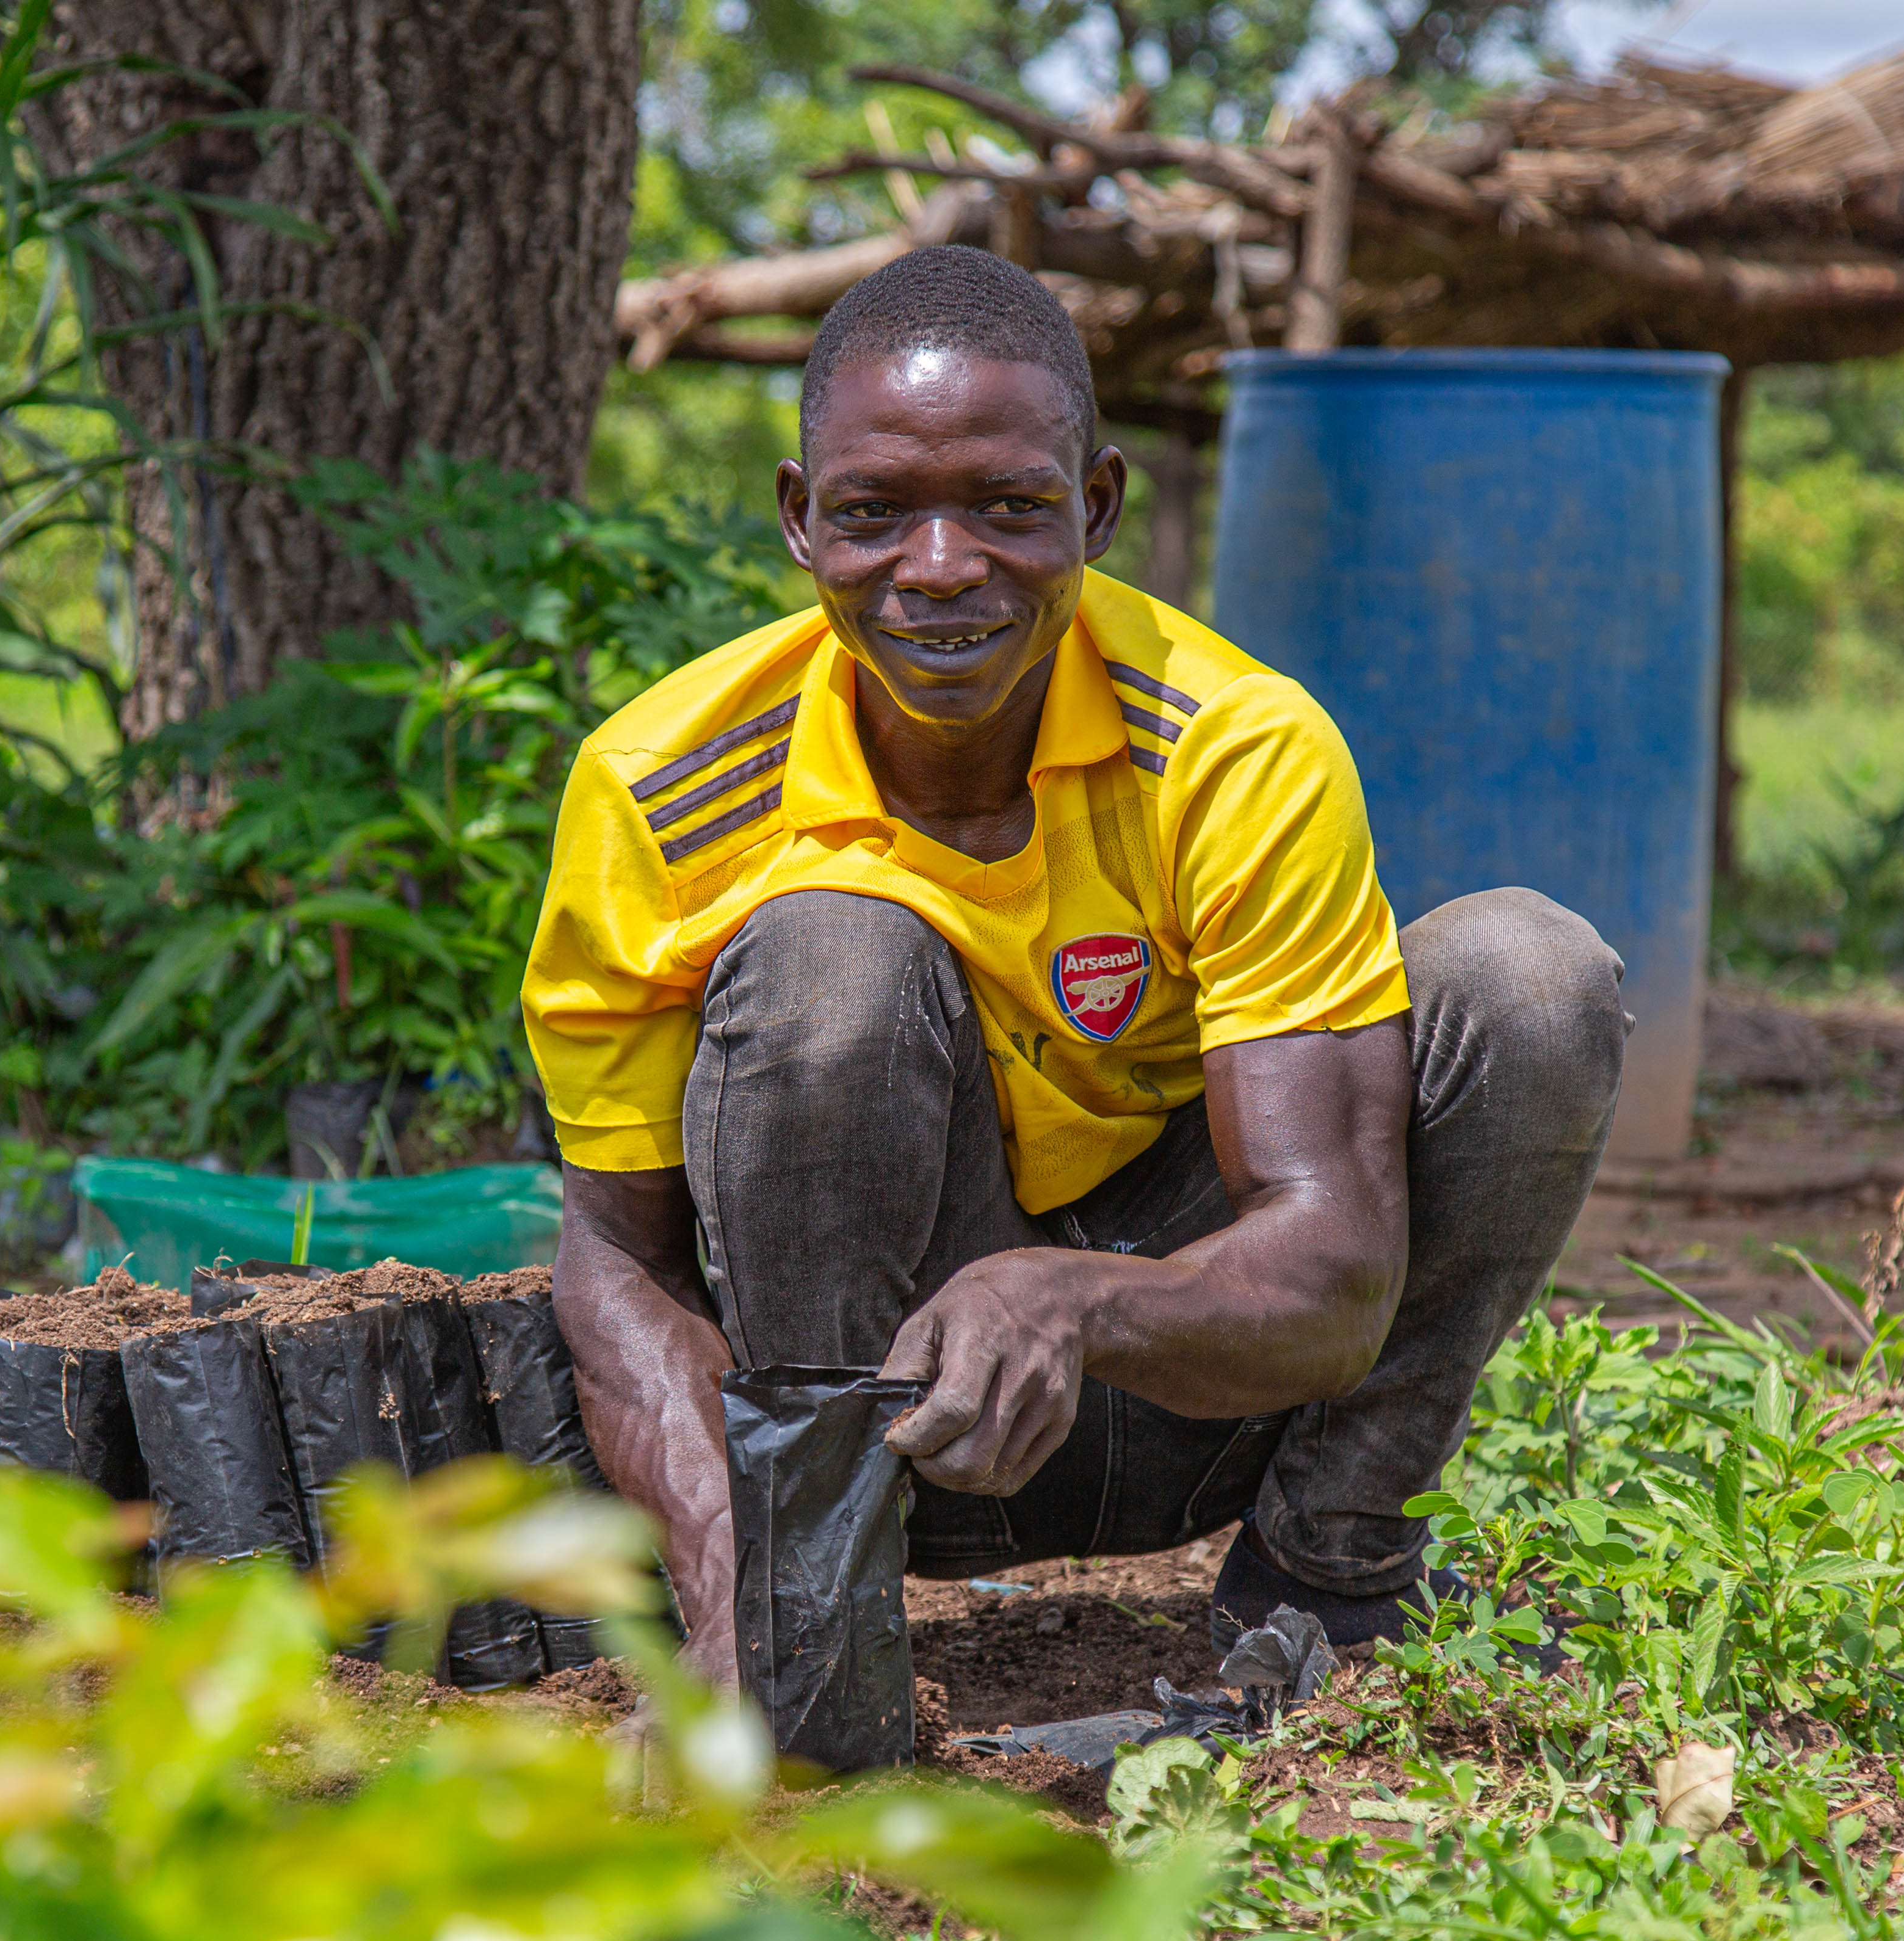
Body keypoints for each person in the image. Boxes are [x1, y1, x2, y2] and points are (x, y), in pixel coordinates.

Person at [526, 245, 1626, 1691]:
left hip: (1205, 1387)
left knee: (1529, 978)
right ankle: (823, 1616)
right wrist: (743, 1586)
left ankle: (1331, 1572)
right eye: (873, 514)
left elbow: (1340, 1271)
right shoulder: (662, 788)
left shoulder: (1234, 748)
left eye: (1008, 507)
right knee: (827, 954)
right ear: (801, 521)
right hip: (886, 1423)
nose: (938, 569)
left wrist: (1070, 1301)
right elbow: (619, 1263)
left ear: (1095, 507)